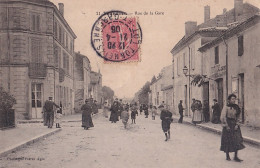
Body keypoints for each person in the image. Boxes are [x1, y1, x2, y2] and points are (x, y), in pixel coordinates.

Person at [220, 94, 245, 162]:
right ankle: (227, 155)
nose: (234, 100)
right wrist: (226, 126)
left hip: (234, 125)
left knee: (237, 140)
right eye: (232, 99)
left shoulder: (237, 107)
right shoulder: (226, 107)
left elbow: (239, 117)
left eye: (234, 99)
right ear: (229, 100)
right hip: (228, 124)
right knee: (227, 140)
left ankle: (236, 156)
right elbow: (223, 117)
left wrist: (237, 124)